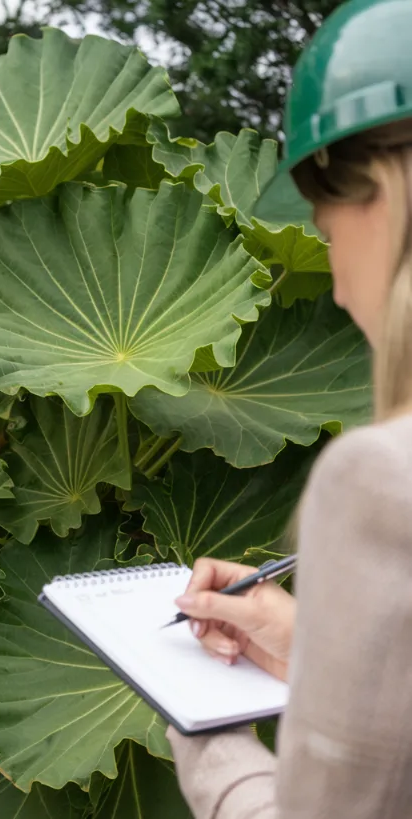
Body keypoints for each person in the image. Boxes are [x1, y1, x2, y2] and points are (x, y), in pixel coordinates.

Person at [166, 0, 412, 816]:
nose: (337, 287)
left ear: (380, 194)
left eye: (325, 227)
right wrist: (320, 652)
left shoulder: (382, 482)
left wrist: (213, 749)